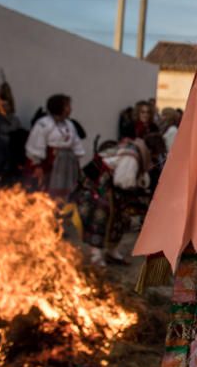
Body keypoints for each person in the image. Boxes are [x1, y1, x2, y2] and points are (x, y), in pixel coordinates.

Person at [73, 138, 150, 266]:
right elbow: (123, 182)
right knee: (101, 218)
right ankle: (96, 255)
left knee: (118, 219)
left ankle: (111, 251)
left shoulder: (136, 151)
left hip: (112, 189)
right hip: (101, 187)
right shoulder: (132, 156)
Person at [25, 93, 85, 200]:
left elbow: (76, 143)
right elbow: (36, 145)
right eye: (67, 106)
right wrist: (37, 165)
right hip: (50, 162)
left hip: (67, 163)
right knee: (47, 191)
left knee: (67, 193)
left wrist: (77, 159)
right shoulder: (43, 124)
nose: (70, 109)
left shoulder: (69, 124)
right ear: (59, 107)